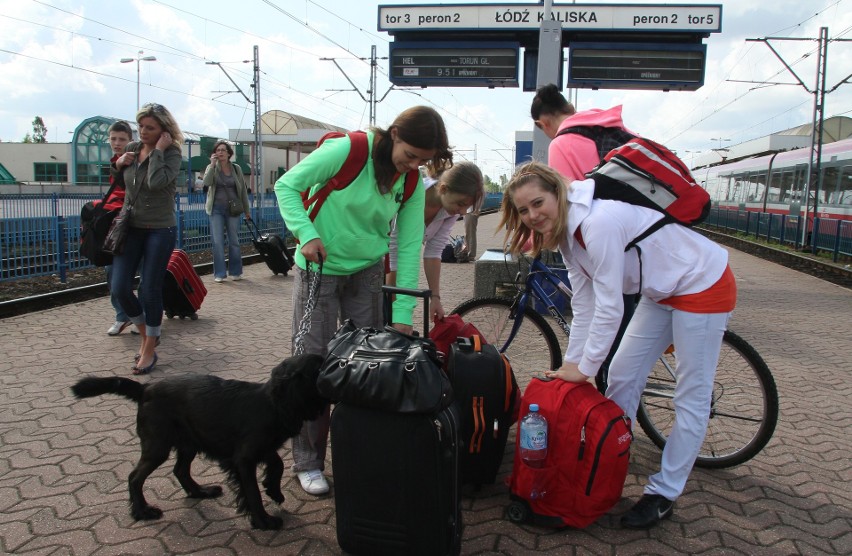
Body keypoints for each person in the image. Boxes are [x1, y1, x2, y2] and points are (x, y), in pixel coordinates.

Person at [500, 162, 736, 529]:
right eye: (523, 209)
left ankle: (664, 493)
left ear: (558, 193)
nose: (532, 215)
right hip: (661, 290)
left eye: (537, 203)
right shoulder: (565, 233)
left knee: (690, 396)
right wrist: (573, 365)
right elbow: (584, 301)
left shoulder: (599, 223)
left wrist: (586, 369)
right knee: (622, 376)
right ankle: (605, 467)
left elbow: (610, 306)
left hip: (702, 282)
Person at [275, 106, 452, 495]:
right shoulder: (349, 150)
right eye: (411, 155)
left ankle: (360, 452)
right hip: (318, 267)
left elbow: (408, 248)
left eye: (423, 161)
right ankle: (308, 462)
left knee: (367, 368)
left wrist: (403, 314)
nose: (413, 166)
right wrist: (306, 233)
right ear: (394, 134)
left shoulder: (410, 183)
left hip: (367, 271)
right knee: (312, 365)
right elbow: (286, 186)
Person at [531, 83, 639, 384]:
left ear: (543, 124)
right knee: (618, 340)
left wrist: (582, 368)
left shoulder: (562, 142)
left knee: (610, 349)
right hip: (633, 243)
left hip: (605, 245)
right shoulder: (604, 129)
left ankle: (610, 414)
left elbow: (564, 205)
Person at [111, 103, 183, 375]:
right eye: (140, 126)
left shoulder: (172, 153)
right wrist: (119, 164)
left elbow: (155, 182)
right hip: (131, 227)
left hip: (159, 229)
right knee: (119, 287)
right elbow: (123, 182)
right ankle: (146, 334)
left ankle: (150, 348)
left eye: (149, 128)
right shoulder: (131, 150)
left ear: (163, 130)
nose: (142, 131)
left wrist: (159, 152)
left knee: (149, 289)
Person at [386, 160, 484, 320]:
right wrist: (397, 314)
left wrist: (435, 298)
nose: (462, 212)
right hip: (372, 262)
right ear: (443, 189)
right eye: (461, 204)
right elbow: (394, 259)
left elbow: (433, 253)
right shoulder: (411, 195)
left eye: (468, 207)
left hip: (391, 266)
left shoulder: (449, 210)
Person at [530, 83, 633, 180]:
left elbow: (565, 195)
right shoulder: (610, 124)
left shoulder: (559, 145)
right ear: (568, 107)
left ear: (543, 123)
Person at [102, 120, 140, 337]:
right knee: (112, 271)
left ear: (130, 141)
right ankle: (122, 315)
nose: (117, 144)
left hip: (139, 222)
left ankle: (140, 316)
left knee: (145, 271)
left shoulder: (136, 160)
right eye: (113, 139)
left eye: (121, 139)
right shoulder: (114, 162)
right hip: (118, 224)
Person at [204, 140, 251, 283]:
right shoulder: (211, 167)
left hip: (233, 209)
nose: (220, 153)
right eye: (218, 150)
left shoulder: (236, 169)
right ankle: (219, 273)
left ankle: (236, 271)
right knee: (218, 241)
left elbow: (242, 190)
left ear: (229, 153)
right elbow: (206, 182)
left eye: (223, 150)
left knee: (234, 241)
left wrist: (247, 210)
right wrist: (212, 165)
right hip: (216, 209)